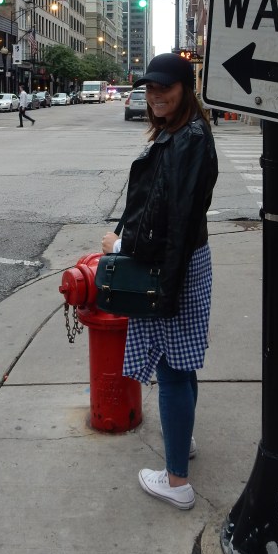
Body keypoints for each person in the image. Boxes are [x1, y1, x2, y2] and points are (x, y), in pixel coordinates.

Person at [101, 53, 218, 511]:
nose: (154, 96)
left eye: (164, 87)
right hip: (185, 260)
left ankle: (176, 482)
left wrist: (120, 245)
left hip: (173, 265)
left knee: (171, 371)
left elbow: (172, 221)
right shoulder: (183, 133)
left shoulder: (188, 140)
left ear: (186, 89)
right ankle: (181, 442)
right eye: (150, 88)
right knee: (183, 365)